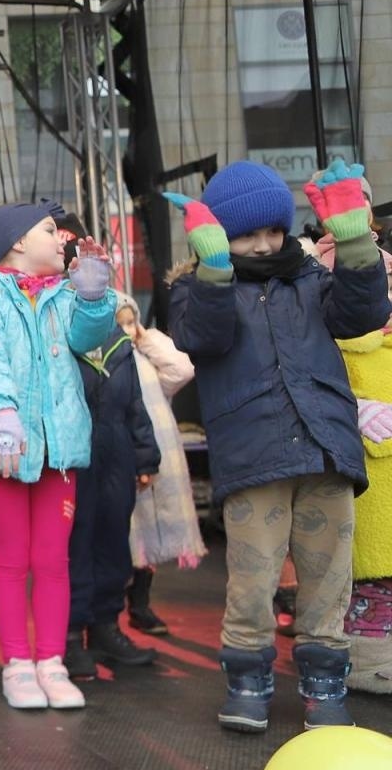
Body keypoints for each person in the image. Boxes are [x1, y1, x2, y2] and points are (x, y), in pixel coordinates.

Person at [165, 159, 389, 731]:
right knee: (253, 578)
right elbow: (203, 338)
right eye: (246, 234)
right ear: (214, 235)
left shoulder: (311, 277)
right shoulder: (197, 289)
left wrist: (354, 238)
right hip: (255, 456)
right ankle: (248, 679)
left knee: (327, 577)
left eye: (273, 231)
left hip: (323, 451)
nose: (264, 245)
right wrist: (216, 267)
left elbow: (364, 312)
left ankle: (323, 682)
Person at [0, 200, 117, 711]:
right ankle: (18, 663)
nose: (61, 238)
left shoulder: (61, 296)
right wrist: (1, 410)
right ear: (17, 242)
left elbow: (89, 337)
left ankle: (51, 661)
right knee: (12, 559)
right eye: (50, 230)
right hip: (4, 445)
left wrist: (92, 293)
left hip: (57, 448)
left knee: (52, 561)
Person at [65, 291, 161, 681]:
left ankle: (105, 627)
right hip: (74, 457)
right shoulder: (65, 342)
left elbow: (137, 407)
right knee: (75, 546)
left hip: (117, 458)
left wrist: (145, 456)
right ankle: (69, 635)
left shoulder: (121, 346)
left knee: (113, 542)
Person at [115, 296, 205, 637]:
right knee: (126, 530)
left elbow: (182, 369)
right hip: (122, 454)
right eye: (119, 323)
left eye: (129, 323)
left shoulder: (146, 357)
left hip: (156, 453)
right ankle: (111, 608)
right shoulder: (105, 360)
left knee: (150, 530)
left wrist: (145, 337)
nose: (125, 331)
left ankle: (140, 604)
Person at [333, 250, 392, 694]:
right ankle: (365, 660)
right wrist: (356, 411)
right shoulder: (337, 343)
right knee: (367, 580)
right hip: (363, 483)